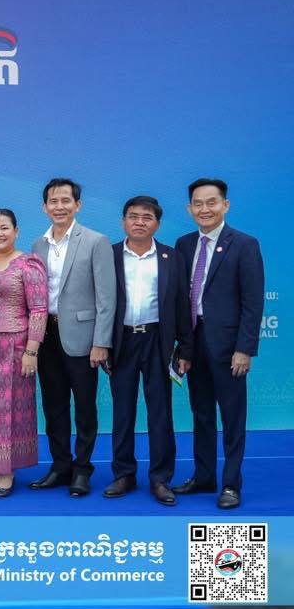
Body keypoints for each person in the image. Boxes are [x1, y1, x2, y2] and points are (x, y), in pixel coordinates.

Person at [173, 178, 264, 509]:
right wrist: (183, 348)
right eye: (198, 203)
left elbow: (252, 302)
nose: (204, 209)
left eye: (211, 202)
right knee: (201, 415)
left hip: (229, 348)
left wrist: (244, 348)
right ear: (189, 209)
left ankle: (230, 484)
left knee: (232, 417)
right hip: (194, 344)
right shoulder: (184, 244)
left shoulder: (244, 244)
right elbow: (181, 300)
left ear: (225, 205)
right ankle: (204, 477)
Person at [104, 196, 193, 506]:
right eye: (133, 216)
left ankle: (160, 478)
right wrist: (101, 344)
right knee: (122, 411)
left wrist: (185, 348)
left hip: (158, 341)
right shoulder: (109, 255)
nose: (139, 222)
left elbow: (182, 304)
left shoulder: (172, 257)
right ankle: (123, 474)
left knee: (160, 412)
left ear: (157, 223)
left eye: (147, 217)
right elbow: (100, 302)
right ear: (123, 221)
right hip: (122, 341)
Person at [30, 178, 116, 497]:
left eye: (66, 200)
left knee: (84, 406)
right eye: (53, 201)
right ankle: (60, 466)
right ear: (44, 207)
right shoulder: (38, 245)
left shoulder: (95, 241)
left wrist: (101, 343)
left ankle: (82, 469)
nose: (59, 206)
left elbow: (107, 298)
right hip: (47, 336)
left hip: (83, 337)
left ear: (77, 205)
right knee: (53, 406)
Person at [0, 209, 48, 498]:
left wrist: (32, 350)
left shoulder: (28, 263)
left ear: (16, 231)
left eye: (4, 228)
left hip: (14, 347)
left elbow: (39, 309)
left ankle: (8, 471)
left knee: (10, 409)